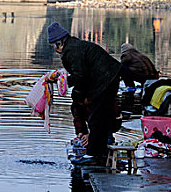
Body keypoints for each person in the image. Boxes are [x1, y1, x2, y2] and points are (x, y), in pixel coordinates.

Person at [46, 22, 129, 165]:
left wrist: (61, 82)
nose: (55, 50)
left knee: (97, 117)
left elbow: (80, 75)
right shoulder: (75, 46)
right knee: (98, 117)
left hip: (105, 79)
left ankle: (93, 155)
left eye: (54, 46)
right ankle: (99, 151)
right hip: (109, 77)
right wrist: (83, 133)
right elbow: (81, 75)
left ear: (59, 44)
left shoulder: (71, 51)